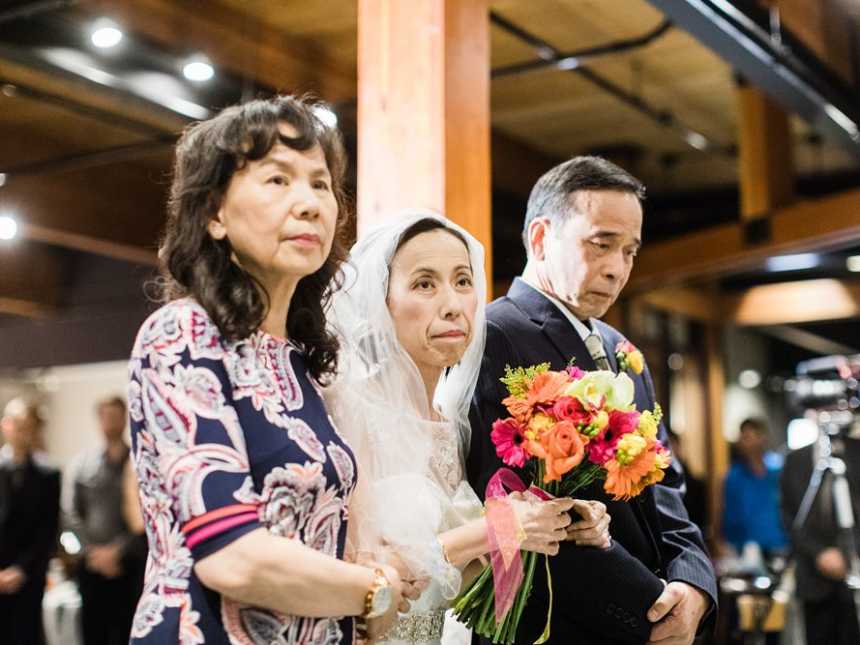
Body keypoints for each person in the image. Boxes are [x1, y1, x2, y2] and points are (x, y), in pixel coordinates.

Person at [127, 95, 413, 644]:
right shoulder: (184, 336)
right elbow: (234, 558)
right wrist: (374, 589)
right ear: (213, 213)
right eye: (278, 181)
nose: (308, 203)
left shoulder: (304, 362)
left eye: (320, 184)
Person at [327, 212, 612, 644]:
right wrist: (499, 528)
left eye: (463, 281)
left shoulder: (453, 423)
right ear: (378, 301)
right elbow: (362, 579)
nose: (452, 304)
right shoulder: (349, 411)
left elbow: (458, 585)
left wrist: (551, 520)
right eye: (425, 283)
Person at [468, 156, 717, 644]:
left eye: (630, 251)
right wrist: (648, 607)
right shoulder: (493, 336)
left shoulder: (625, 353)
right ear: (540, 238)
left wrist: (694, 586)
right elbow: (507, 505)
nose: (617, 269)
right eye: (601, 244)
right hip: (559, 622)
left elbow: (666, 491)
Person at [66, 396, 142, 645]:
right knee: (92, 632)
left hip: (129, 564)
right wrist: (93, 553)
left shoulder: (138, 463)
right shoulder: (82, 464)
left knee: (127, 631)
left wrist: (117, 551)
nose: (110, 422)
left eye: (116, 416)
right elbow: (71, 514)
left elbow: (145, 516)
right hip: (91, 565)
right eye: (105, 416)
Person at [781, 421, 860, 645]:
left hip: (854, 572)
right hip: (812, 577)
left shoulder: (856, 452)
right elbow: (789, 516)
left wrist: (849, 555)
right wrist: (819, 553)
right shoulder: (795, 459)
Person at [0, 398, 61, 645]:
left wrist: (21, 570)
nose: (22, 432)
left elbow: (47, 530)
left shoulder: (48, 475)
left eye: (28, 426)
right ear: (6, 425)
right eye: (18, 424)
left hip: (28, 578)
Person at [721, 418, 787, 558]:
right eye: (743, 438)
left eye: (750, 437)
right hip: (745, 550)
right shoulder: (733, 476)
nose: (746, 443)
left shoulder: (779, 471)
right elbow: (727, 514)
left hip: (780, 546)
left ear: (762, 437)